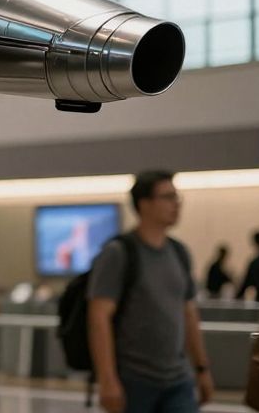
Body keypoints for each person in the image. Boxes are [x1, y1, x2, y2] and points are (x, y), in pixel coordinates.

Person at [88, 170, 212, 413]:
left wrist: (202, 368)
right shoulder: (119, 253)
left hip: (178, 379)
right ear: (144, 204)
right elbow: (98, 317)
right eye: (167, 197)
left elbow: (188, 313)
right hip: (134, 381)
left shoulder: (179, 252)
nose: (176, 204)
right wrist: (107, 379)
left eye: (177, 197)